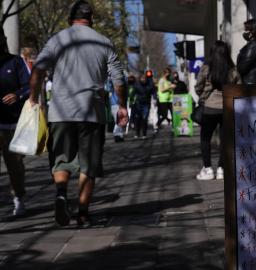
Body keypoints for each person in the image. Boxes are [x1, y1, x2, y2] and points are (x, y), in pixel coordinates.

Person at [29, 0, 128, 227]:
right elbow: (119, 80)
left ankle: (62, 194)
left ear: (69, 19)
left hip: (60, 111)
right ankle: (83, 214)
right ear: (91, 18)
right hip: (91, 112)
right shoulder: (104, 42)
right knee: (88, 165)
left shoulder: (56, 40)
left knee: (61, 160)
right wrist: (122, 105)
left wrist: (33, 98)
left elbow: (38, 70)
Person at [195, 40, 241, 180]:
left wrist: (203, 96)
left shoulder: (206, 67)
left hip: (209, 108)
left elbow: (198, 86)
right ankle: (221, 169)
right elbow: (239, 87)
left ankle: (208, 169)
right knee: (225, 139)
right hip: (226, 108)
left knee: (205, 137)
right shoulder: (232, 69)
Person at [0, 28, 30, 217]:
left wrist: (17, 95)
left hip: (13, 125)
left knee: (16, 167)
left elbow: (28, 86)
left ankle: (18, 199)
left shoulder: (15, 62)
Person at [130, 74, 154, 139]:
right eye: (142, 78)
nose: (144, 79)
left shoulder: (149, 85)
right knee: (138, 118)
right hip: (138, 103)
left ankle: (144, 134)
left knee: (145, 119)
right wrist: (132, 100)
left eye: (145, 78)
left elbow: (153, 91)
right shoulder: (136, 85)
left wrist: (155, 97)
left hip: (146, 104)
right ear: (140, 79)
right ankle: (137, 133)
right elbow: (132, 94)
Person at [236, 19, 256, 84]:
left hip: (249, 82)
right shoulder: (252, 44)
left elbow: (242, 67)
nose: (244, 33)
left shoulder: (252, 46)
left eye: (246, 30)